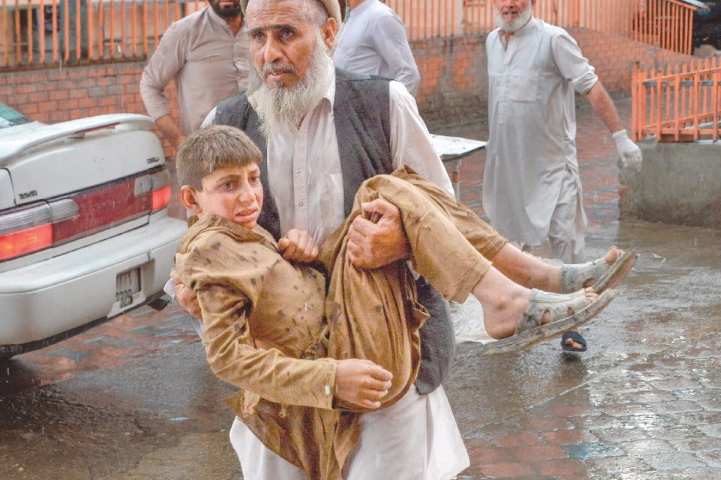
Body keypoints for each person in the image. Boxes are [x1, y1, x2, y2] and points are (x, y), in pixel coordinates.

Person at [169, 0, 636, 477]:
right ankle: (520, 287)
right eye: (257, 37)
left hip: (382, 347)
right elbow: (200, 251)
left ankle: (522, 285)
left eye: (286, 34)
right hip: (284, 372)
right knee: (388, 189)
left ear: (330, 33)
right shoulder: (227, 124)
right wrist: (198, 291)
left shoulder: (383, 104)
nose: (269, 54)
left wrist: (400, 243)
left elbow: (439, 215)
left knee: (401, 194)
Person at [173, 124, 612, 480]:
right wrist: (330, 379)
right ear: (192, 199)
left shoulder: (236, 231)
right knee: (385, 189)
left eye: (253, 179)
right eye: (229, 185)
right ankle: (520, 287)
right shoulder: (209, 251)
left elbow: (279, 299)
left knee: (393, 186)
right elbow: (227, 360)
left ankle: (532, 280)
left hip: (338, 323)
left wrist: (302, 257)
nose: (249, 196)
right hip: (343, 354)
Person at [483, 0, 642, 351]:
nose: (509, 5)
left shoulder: (555, 40)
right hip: (508, 166)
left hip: (554, 164)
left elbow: (591, 86)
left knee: (566, 239)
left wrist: (619, 136)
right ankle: (519, 314)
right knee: (508, 242)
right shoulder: (492, 42)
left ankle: (574, 325)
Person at [139, 0, 249, 150]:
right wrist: (179, 140)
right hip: (206, 154)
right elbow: (150, 85)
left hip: (258, 149)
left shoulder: (259, 28)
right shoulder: (184, 31)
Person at [333, 0, 420, 96]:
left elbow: (409, 74)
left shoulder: (381, 17)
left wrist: (389, 109)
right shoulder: (351, 17)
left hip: (369, 108)